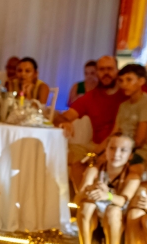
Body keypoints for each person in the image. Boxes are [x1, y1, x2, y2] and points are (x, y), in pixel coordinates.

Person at [54, 56, 126, 190]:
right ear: (97, 72)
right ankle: (82, 199)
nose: (106, 73)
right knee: (74, 159)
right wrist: (65, 122)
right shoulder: (91, 96)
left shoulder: (126, 94)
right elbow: (62, 117)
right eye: (102, 69)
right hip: (96, 146)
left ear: (117, 70)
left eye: (110, 69)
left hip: (119, 147)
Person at [74, 134, 140, 244]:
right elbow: (77, 200)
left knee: (113, 210)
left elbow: (123, 201)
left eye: (123, 150)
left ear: (130, 156)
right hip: (96, 220)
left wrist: (108, 195)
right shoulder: (94, 170)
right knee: (86, 206)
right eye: (112, 148)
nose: (116, 154)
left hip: (120, 224)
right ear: (106, 150)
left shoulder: (132, 176)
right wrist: (89, 189)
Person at [109, 64, 147, 163]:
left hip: (137, 152)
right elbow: (114, 132)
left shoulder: (146, 104)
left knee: (105, 164)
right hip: (119, 149)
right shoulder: (123, 105)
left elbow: (140, 141)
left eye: (129, 80)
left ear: (141, 81)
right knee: (91, 160)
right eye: (121, 81)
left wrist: (118, 150)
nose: (124, 84)